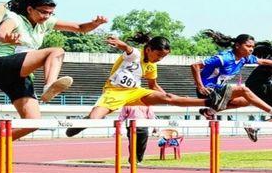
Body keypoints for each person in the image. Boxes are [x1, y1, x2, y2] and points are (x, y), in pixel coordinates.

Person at [0, 0, 107, 173]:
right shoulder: (14, 18)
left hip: (20, 75)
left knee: (32, 122)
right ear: (29, 9)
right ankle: (49, 85)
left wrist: (94, 24)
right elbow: (0, 33)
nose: (47, 17)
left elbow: (79, 27)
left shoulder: (46, 22)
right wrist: (7, 38)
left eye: (50, 13)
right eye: (43, 12)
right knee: (56, 51)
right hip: (1, 64)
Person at [65, 33, 226, 138]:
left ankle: (209, 102)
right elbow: (126, 48)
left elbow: (153, 85)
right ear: (148, 49)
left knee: (169, 97)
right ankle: (84, 120)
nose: (159, 59)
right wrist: (118, 42)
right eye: (158, 55)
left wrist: (168, 98)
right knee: (94, 120)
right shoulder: (135, 54)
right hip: (114, 92)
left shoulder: (152, 66)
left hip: (135, 92)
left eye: (162, 58)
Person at [190, 30, 272, 123]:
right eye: (248, 46)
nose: (251, 49)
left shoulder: (244, 58)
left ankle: (209, 112)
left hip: (218, 91)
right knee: (243, 90)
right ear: (237, 46)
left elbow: (262, 61)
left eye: (253, 47)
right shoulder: (224, 58)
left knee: (245, 101)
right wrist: (200, 86)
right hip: (208, 91)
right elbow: (195, 66)